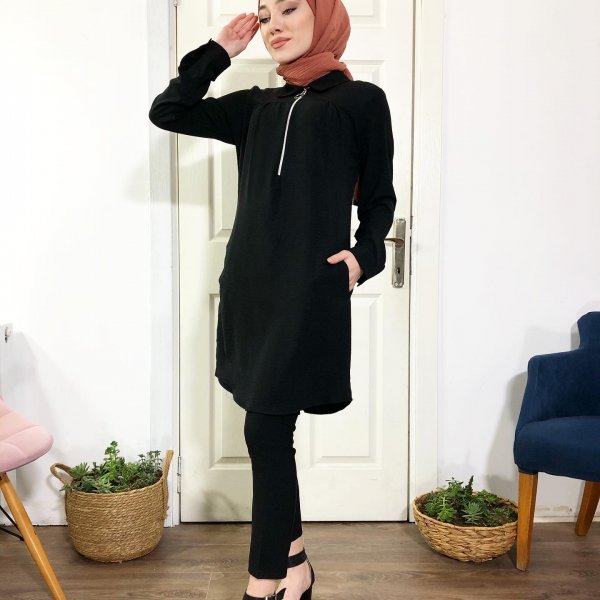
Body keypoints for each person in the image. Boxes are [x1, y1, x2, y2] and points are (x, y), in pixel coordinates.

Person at [149, 1, 396, 598]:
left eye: (289, 8)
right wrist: (220, 52)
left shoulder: (361, 101)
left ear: (324, 17)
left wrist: (364, 256)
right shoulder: (256, 106)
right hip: (251, 287)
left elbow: (380, 196)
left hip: (309, 289)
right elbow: (168, 110)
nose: (274, 24)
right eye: (264, 16)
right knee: (267, 430)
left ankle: (264, 580)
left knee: (264, 428)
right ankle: (297, 566)